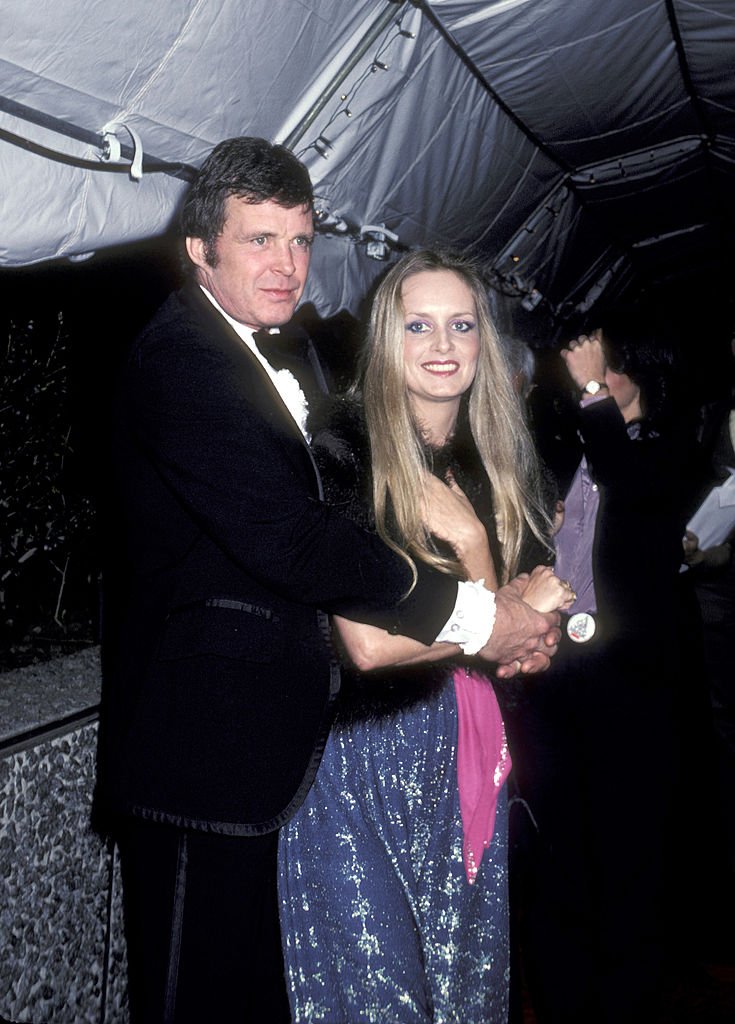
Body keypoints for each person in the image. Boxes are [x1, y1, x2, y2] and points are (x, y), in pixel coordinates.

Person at [95, 138, 561, 1023]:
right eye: (259, 239)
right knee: (195, 999)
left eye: (300, 239)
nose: (286, 263)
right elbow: (295, 544)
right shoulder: (180, 361)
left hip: (270, 757)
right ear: (200, 249)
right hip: (205, 758)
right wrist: (473, 612)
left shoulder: (285, 353)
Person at [278, 250, 574, 1023]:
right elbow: (370, 645)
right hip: (351, 767)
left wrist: (478, 558)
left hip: (463, 753)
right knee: (381, 1000)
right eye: (418, 325)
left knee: (464, 990)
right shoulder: (341, 450)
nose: (442, 345)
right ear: (385, 339)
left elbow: (532, 643)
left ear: (483, 341)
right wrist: (501, 612)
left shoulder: (501, 464)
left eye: (461, 325)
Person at [504, 317, 697, 1023]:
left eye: (602, 371)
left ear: (632, 377)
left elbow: (640, 494)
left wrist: (590, 390)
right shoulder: (578, 452)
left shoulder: (662, 449)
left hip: (631, 687)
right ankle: (563, 996)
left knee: (627, 849)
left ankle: (627, 1000)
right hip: (562, 674)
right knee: (560, 846)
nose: (589, 382)